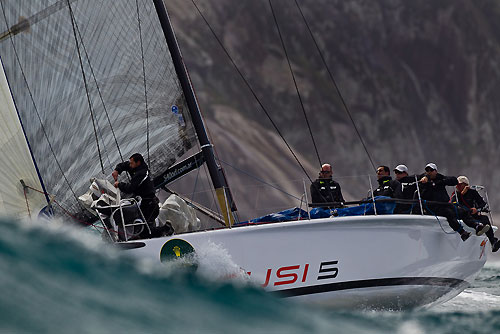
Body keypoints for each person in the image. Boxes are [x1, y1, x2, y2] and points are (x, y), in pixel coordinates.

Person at [419, 163, 488, 241]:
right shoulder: (423, 182)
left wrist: (440, 181)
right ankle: (462, 232)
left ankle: (476, 226)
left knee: (463, 212)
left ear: (436, 171)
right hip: (434, 207)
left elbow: (453, 180)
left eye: (431, 170)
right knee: (449, 213)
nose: (429, 172)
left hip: (445, 204)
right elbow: (418, 188)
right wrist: (425, 183)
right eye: (427, 170)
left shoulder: (440, 179)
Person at [451, 176, 500, 252]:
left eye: (460, 184)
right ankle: (478, 227)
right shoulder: (455, 194)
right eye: (457, 184)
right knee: (467, 217)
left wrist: (476, 210)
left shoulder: (473, 193)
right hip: (464, 216)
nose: (457, 186)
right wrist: (461, 196)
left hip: (474, 215)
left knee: (485, 218)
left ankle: (493, 242)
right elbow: (452, 205)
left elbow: (483, 204)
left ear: (465, 185)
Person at [112, 153, 160, 225]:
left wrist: (119, 185)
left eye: (132, 163)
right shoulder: (134, 166)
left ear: (138, 163)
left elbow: (130, 188)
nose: (130, 165)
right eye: (130, 163)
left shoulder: (141, 173)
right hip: (141, 199)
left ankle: (165, 229)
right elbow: (125, 165)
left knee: (145, 225)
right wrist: (117, 170)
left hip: (149, 203)